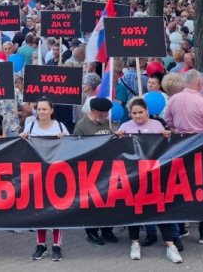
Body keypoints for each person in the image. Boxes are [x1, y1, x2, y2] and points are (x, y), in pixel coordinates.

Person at [116, 98, 181, 263]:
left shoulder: (157, 125)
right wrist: (117, 138)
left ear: (147, 111)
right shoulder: (125, 126)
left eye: (140, 112)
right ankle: (134, 243)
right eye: (134, 113)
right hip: (133, 176)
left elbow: (166, 148)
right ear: (130, 114)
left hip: (154, 176)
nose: (138, 116)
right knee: (134, 211)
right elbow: (117, 151)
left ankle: (170, 245)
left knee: (160, 210)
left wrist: (167, 136)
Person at [164, 70, 203, 244]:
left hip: (179, 148)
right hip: (201, 148)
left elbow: (168, 121)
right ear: (199, 84)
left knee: (180, 188)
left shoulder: (173, 100)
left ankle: (179, 229)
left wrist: (178, 130)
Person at [21, 97, 67, 261]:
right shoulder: (30, 126)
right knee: (39, 209)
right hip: (37, 174)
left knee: (56, 209)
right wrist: (22, 138)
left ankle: (56, 245)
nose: (41, 112)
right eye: (39, 109)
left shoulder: (60, 126)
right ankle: (41, 244)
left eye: (45, 109)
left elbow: (70, 149)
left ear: (51, 110)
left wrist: (65, 139)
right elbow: (23, 149)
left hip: (56, 174)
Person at [74, 97, 118, 245]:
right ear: (94, 111)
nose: (106, 115)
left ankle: (107, 230)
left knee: (108, 201)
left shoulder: (107, 123)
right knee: (92, 203)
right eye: (103, 113)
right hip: (90, 169)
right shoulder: (82, 127)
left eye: (107, 112)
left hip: (107, 168)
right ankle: (92, 232)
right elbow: (77, 149)